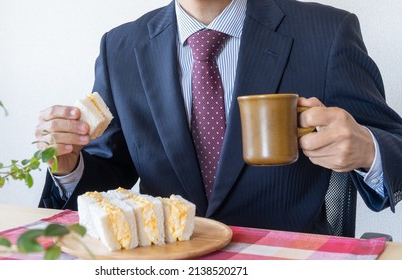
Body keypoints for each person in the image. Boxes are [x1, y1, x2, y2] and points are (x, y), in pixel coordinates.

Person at [35, 0, 402, 235]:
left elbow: (394, 146)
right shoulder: (120, 47)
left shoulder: (327, 33)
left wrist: (368, 150)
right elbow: (107, 176)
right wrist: (69, 167)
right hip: (166, 262)